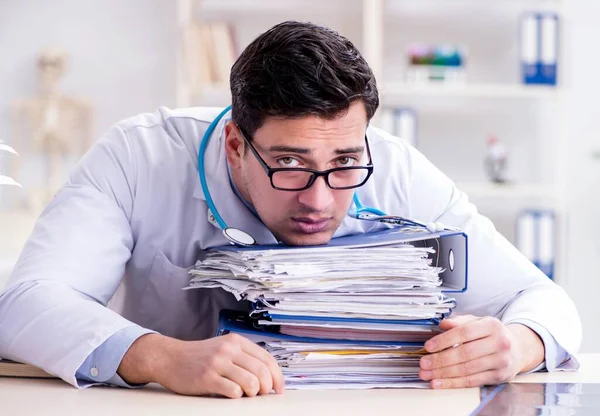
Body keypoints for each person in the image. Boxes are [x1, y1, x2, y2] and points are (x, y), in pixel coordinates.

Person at [0, 21, 581, 398]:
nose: (320, 199)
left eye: (345, 163)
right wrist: (158, 356)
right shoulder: (140, 155)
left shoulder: (397, 169)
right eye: (289, 164)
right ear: (234, 142)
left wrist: (518, 344)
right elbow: (25, 304)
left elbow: (546, 302)